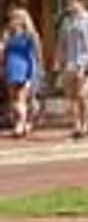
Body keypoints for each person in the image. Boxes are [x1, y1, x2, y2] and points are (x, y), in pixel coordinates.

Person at [55, 0, 88, 140]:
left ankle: (86, 124)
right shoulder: (67, 21)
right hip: (70, 62)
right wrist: (58, 60)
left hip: (85, 62)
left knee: (83, 95)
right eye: (69, 3)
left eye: (73, 2)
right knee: (71, 96)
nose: (70, 5)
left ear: (81, 3)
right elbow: (61, 42)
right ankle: (76, 125)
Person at [4, 10, 41, 139]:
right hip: (11, 67)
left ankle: (20, 125)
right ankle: (22, 122)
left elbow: (37, 54)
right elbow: (3, 51)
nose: (12, 21)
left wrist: (36, 70)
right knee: (13, 99)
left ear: (22, 20)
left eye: (15, 18)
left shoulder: (30, 35)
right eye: (11, 19)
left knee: (21, 98)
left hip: (24, 67)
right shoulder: (8, 35)